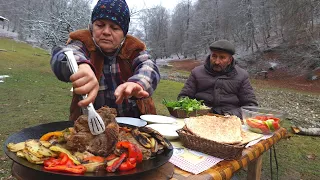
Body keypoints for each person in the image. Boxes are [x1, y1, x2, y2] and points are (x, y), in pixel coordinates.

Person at [51, 0, 160, 121]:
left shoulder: (133, 49)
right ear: (92, 27)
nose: (106, 32)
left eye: (115, 27)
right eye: (100, 25)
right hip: (90, 125)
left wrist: (138, 83)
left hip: (134, 126)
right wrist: (80, 65)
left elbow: (149, 66)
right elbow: (64, 54)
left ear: (124, 34)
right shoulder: (82, 43)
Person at [178, 40, 257, 118]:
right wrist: (197, 110)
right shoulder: (196, 72)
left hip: (229, 120)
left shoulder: (241, 76)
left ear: (229, 60)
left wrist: (230, 114)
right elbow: (183, 97)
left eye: (222, 57)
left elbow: (251, 106)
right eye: (214, 56)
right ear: (210, 56)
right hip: (199, 116)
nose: (217, 62)